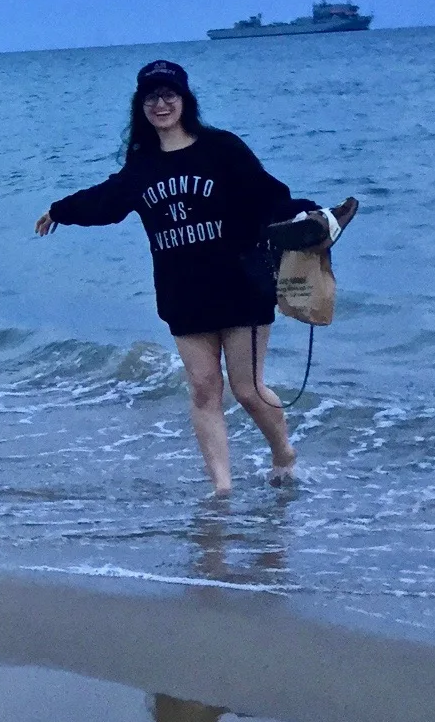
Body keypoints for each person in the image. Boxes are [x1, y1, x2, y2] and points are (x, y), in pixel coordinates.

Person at [34, 59, 315, 495]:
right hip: (183, 293)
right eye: (151, 97)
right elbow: (107, 201)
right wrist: (60, 211)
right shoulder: (142, 165)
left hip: (241, 285)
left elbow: (270, 196)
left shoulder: (222, 148)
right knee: (204, 389)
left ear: (185, 100)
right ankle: (222, 490)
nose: (160, 104)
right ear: (140, 105)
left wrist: (309, 215)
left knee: (247, 390)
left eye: (169, 94)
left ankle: (283, 452)